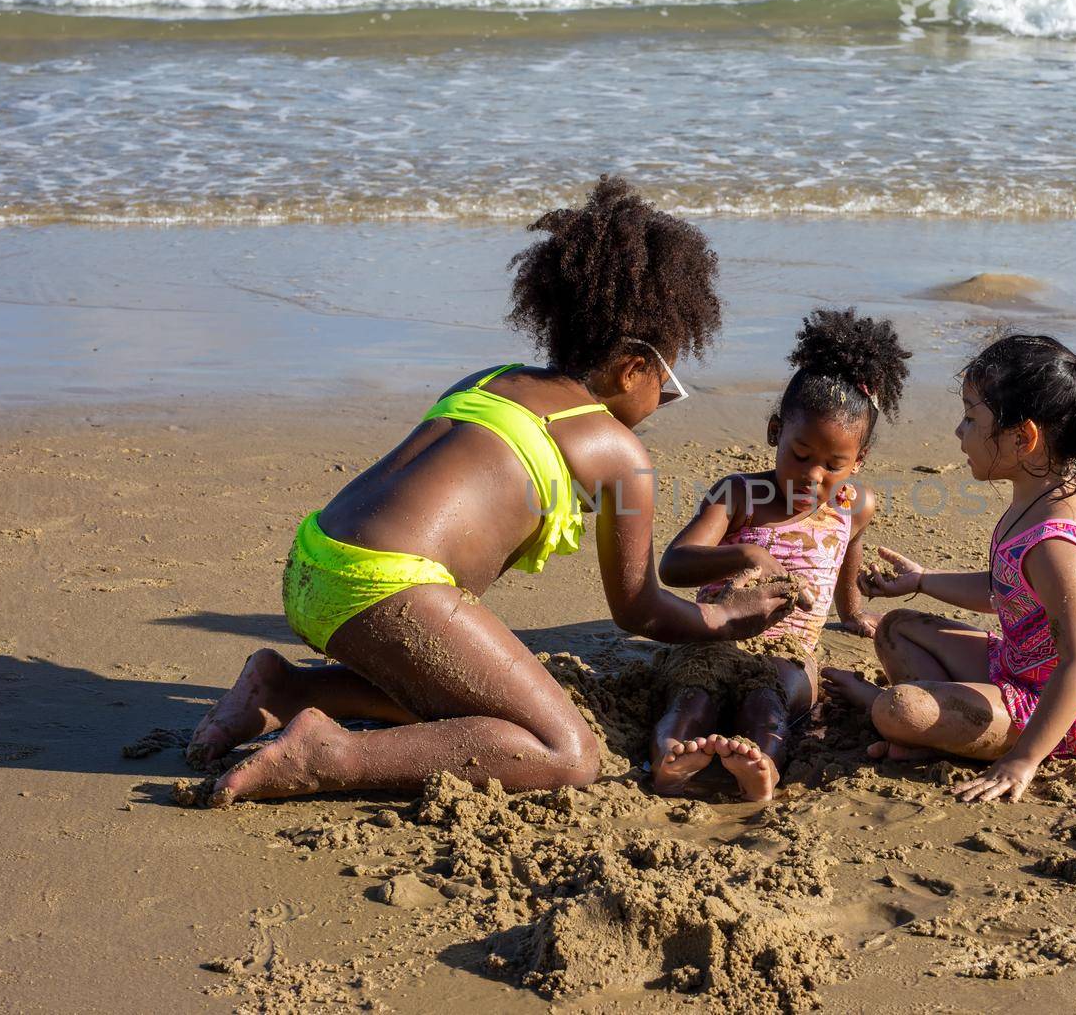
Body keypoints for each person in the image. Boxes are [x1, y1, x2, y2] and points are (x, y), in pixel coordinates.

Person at [185, 178, 806, 805]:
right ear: (633, 368)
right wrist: (726, 619)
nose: (663, 400)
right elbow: (639, 610)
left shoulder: (492, 379)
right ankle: (333, 754)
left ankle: (284, 690)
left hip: (314, 564)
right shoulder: (618, 452)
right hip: (387, 588)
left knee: (466, 700)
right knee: (566, 752)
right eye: (666, 381)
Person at [822, 333, 1076, 803]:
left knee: (897, 707)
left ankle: (915, 724)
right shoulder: (1037, 501)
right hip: (1017, 666)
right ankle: (944, 731)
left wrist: (1021, 762)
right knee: (896, 628)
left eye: (971, 417)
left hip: (1061, 711)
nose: (959, 432)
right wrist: (922, 581)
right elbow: (1003, 592)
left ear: (1023, 437)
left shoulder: (1057, 544)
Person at [649, 309, 910, 801]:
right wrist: (743, 554)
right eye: (800, 454)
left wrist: (851, 611)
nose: (814, 476)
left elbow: (845, 556)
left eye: (834, 465)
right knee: (693, 697)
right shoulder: (739, 495)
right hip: (712, 634)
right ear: (775, 433)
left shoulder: (856, 506)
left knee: (770, 704)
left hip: (788, 651)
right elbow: (674, 564)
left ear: (859, 461)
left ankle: (762, 764)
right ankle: (670, 757)